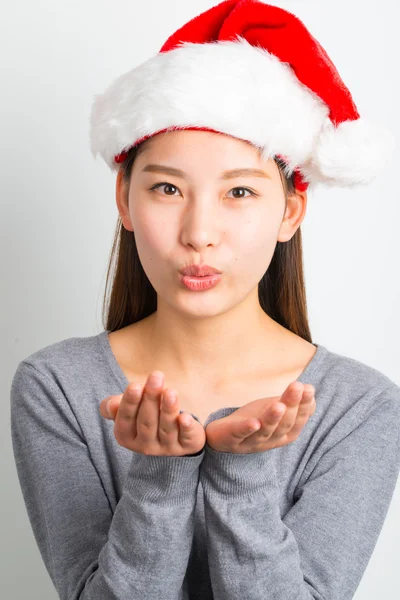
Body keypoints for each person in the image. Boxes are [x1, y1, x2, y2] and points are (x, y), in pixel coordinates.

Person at [10, 1, 400, 599]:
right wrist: (160, 476)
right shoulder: (57, 384)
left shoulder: (359, 405)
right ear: (125, 200)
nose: (199, 232)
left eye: (238, 191)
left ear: (290, 210)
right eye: (167, 187)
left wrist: (243, 473)